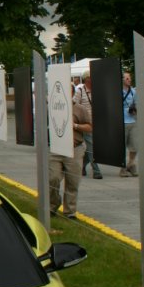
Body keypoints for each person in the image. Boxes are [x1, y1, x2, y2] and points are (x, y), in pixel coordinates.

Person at [49, 88, 91, 220]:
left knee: (73, 181)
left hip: (75, 149)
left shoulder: (80, 109)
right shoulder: (52, 106)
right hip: (56, 149)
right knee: (52, 178)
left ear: (72, 93)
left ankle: (70, 211)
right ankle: (53, 205)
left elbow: (90, 127)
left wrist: (76, 126)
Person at [75, 73, 102, 179]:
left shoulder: (97, 90)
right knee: (91, 146)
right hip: (86, 123)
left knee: (92, 147)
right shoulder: (80, 91)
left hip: (98, 123)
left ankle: (82, 165)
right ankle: (96, 170)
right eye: (91, 78)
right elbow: (75, 105)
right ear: (87, 79)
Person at [121, 70, 138, 177]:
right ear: (122, 80)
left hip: (132, 120)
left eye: (130, 78)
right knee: (122, 146)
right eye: (127, 78)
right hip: (123, 121)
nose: (129, 80)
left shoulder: (133, 91)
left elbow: (136, 103)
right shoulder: (118, 91)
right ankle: (122, 168)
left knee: (134, 146)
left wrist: (135, 110)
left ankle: (130, 164)